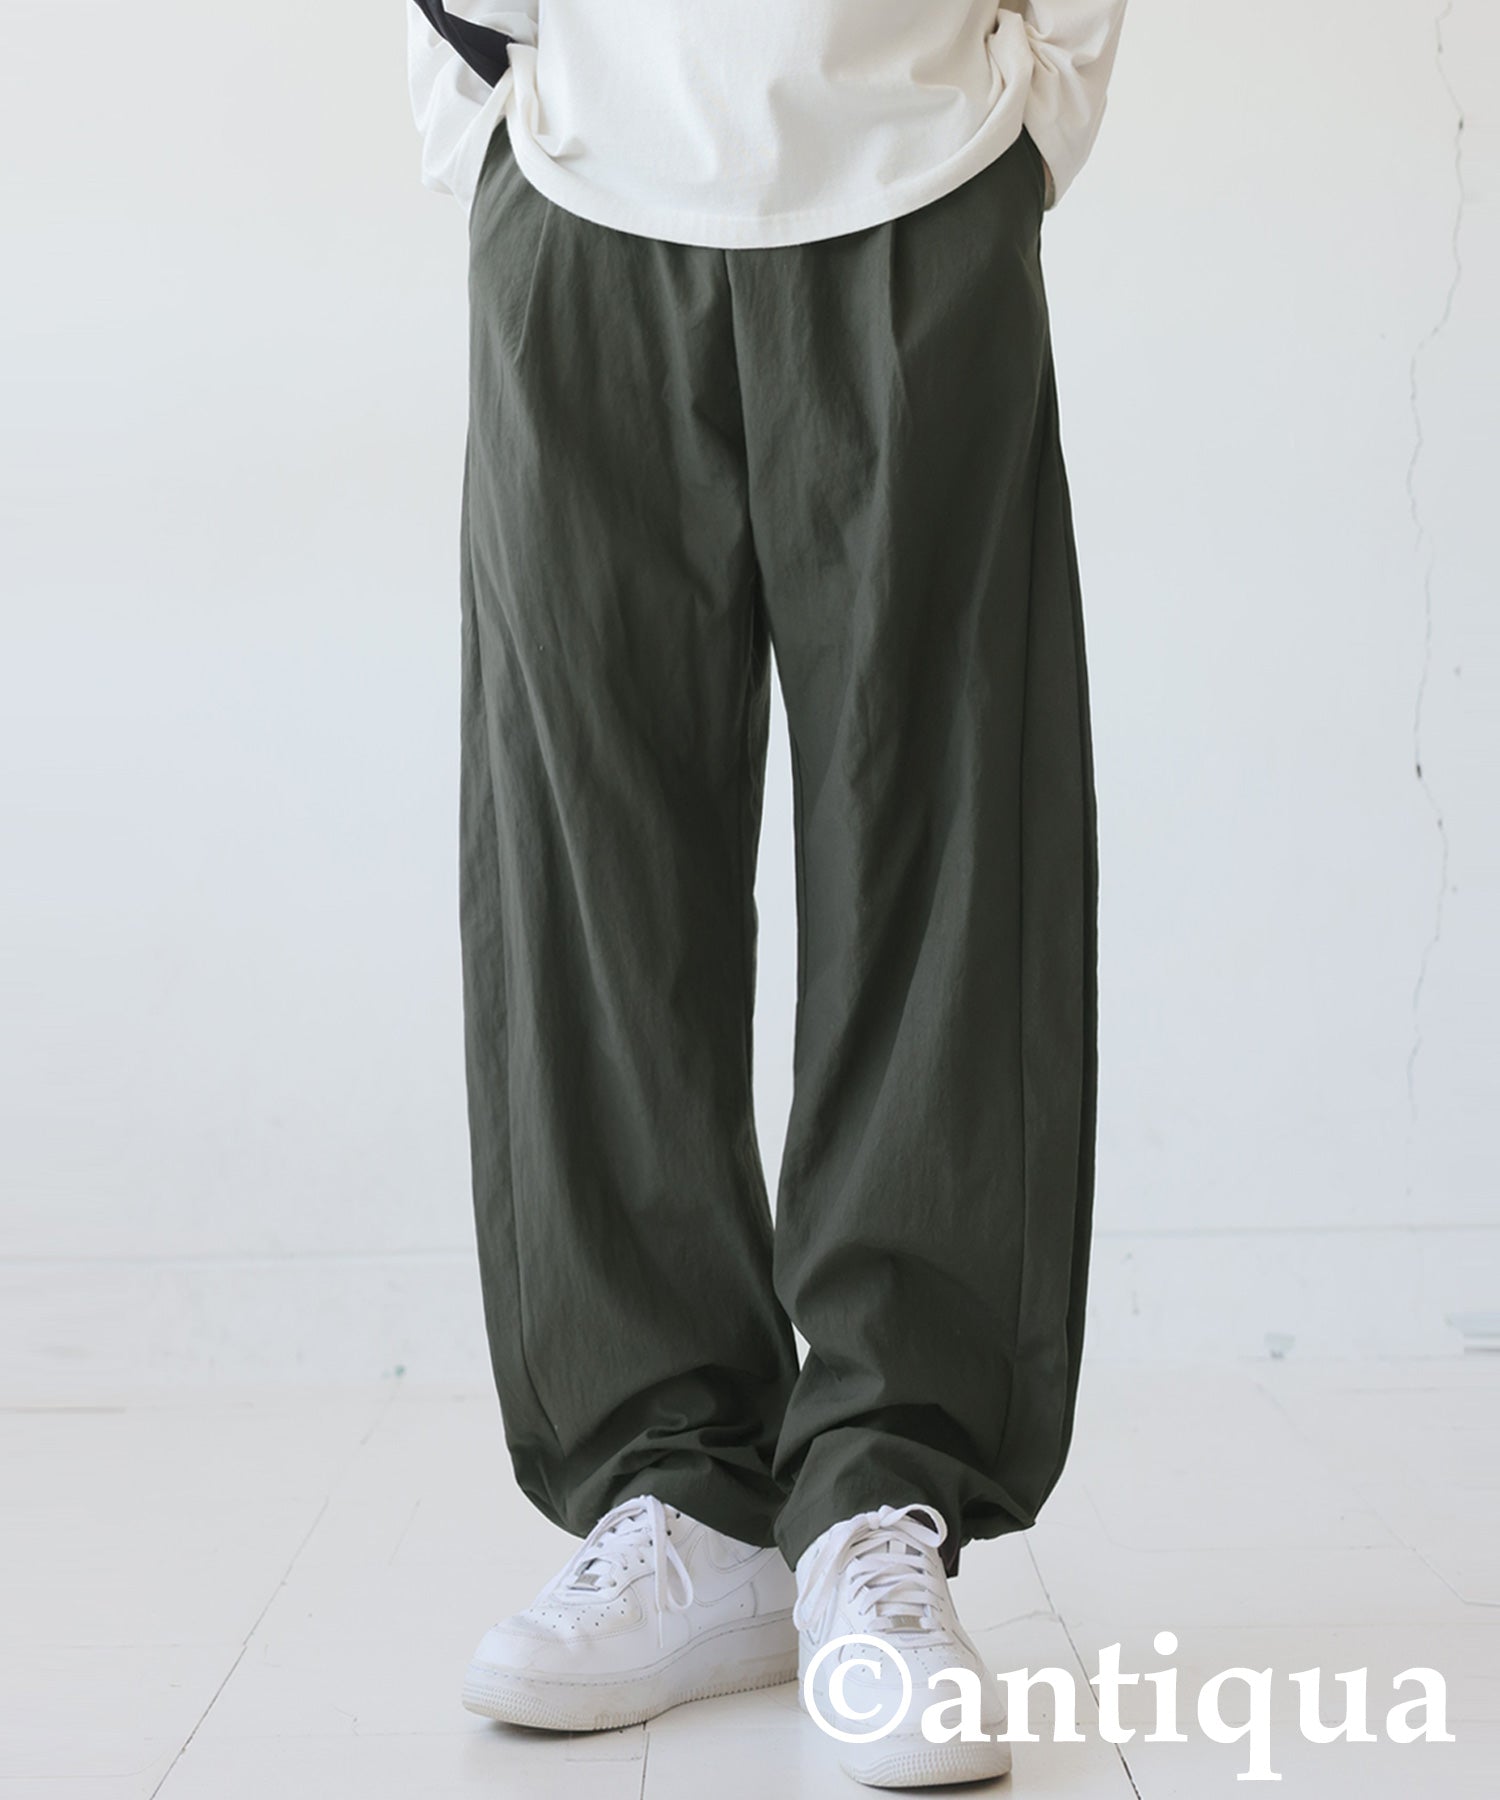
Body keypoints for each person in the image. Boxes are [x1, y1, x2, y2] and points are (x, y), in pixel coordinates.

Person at [408, 1, 1125, 1785]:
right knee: (591, 869)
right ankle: (678, 1495)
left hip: (917, 171)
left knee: (942, 852)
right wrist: (482, 109)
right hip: (576, 175)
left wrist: (1034, 112)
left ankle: (884, 1492)